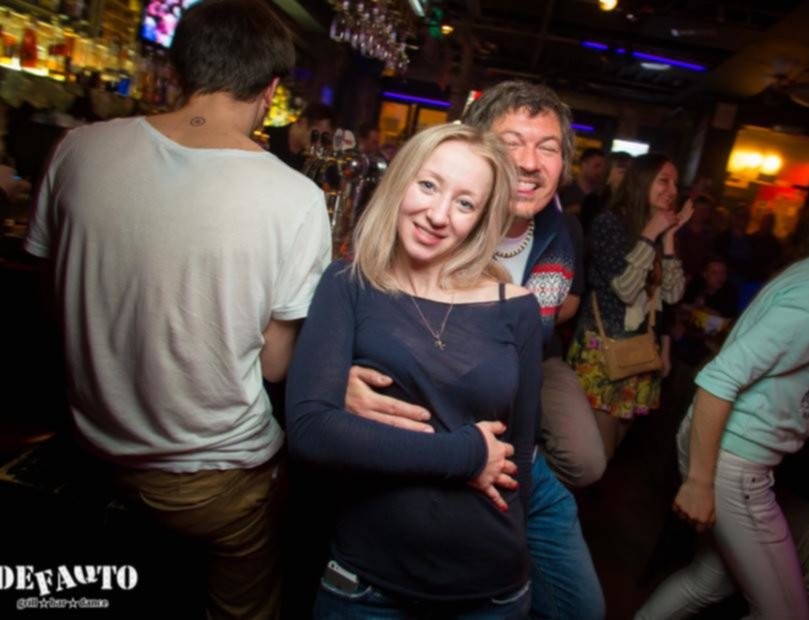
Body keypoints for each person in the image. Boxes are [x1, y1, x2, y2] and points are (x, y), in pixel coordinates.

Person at [23, 1, 331, 617]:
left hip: (87, 448)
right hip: (215, 480)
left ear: (177, 68)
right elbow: (274, 366)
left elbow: (51, 303)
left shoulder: (76, 148)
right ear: (270, 90)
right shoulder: (297, 199)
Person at [343, 81, 606, 619]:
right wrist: (338, 375)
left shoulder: (562, 232)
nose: (529, 162)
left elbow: (557, 318)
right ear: (478, 146)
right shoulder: (432, 225)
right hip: (432, 460)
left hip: (516, 452)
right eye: (511, 142)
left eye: (548, 147)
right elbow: (355, 305)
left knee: (581, 607)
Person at [637, 167, 809, 620]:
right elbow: (719, 380)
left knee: (710, 579)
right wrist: (700, 482)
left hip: (728, 453)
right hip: (733, 462)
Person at [286, 123, 537, 616]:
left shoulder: (517, 308)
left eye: (465, 204)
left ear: (481, 220)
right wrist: (465, 454)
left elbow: (520, 453)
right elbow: (311, 431)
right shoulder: (349, 284)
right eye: (428, 185)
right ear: (400, 181)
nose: (438, 215)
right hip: (368, 587)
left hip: (492, 590)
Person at [568, 153, 691, 457]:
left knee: (612, 453)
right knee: (598, 455)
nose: (672, 190)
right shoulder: (610, 223)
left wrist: (669, 238)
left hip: (639, 354)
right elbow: (625, 289)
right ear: (642, 182)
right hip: (604, 350)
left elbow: (672, 295)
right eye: (664, 181)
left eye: (675, 183)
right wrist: (650, 235)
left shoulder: (658, 229)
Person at [266, 101, 335, 171]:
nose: (319, 144)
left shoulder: (309, 160)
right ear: (302, 123)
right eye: (316, 135)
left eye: (324, 139)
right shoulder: (267, 138)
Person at [560, 147, 606, 215]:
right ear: (583, 164)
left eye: (603, 168)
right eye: (597, 166)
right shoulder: (564, 188)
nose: (600, 171)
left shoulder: (602, 194)